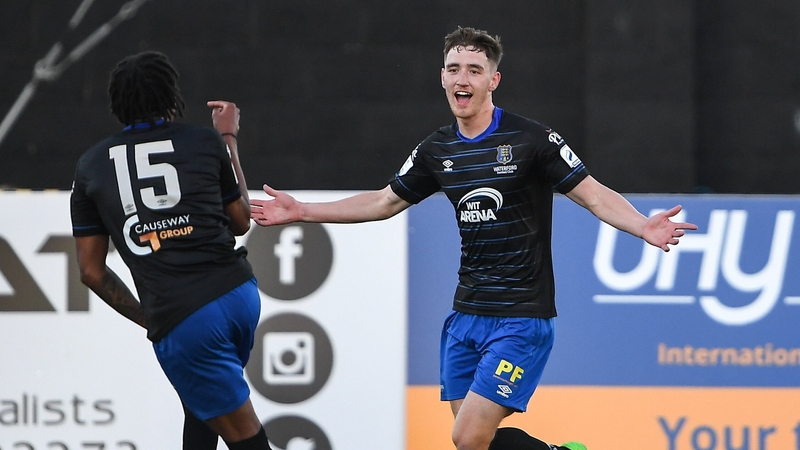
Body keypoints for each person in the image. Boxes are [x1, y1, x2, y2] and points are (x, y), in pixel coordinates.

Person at [250, 27, 698, 450]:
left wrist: (642, 225)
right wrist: (302, 211)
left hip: (521, 318)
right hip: (465, 316)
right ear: (442, 77)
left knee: (467, 437)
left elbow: (595, 196)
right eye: (452, 69)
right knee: (472, 443)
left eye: (474, 70)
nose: (461, 79)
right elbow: (384, 203)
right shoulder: (437, 150)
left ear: (493, 80)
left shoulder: (531, 140)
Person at [70, 51, 271, 450]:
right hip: (239, 296)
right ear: (170, 94)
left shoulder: (91, 166)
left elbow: (91, 271)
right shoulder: (203, 139)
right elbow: (242, 220)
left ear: (116, 103)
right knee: (201, 411)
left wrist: (154, 320)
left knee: (245, 438)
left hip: (186, 317)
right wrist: (228, 136)